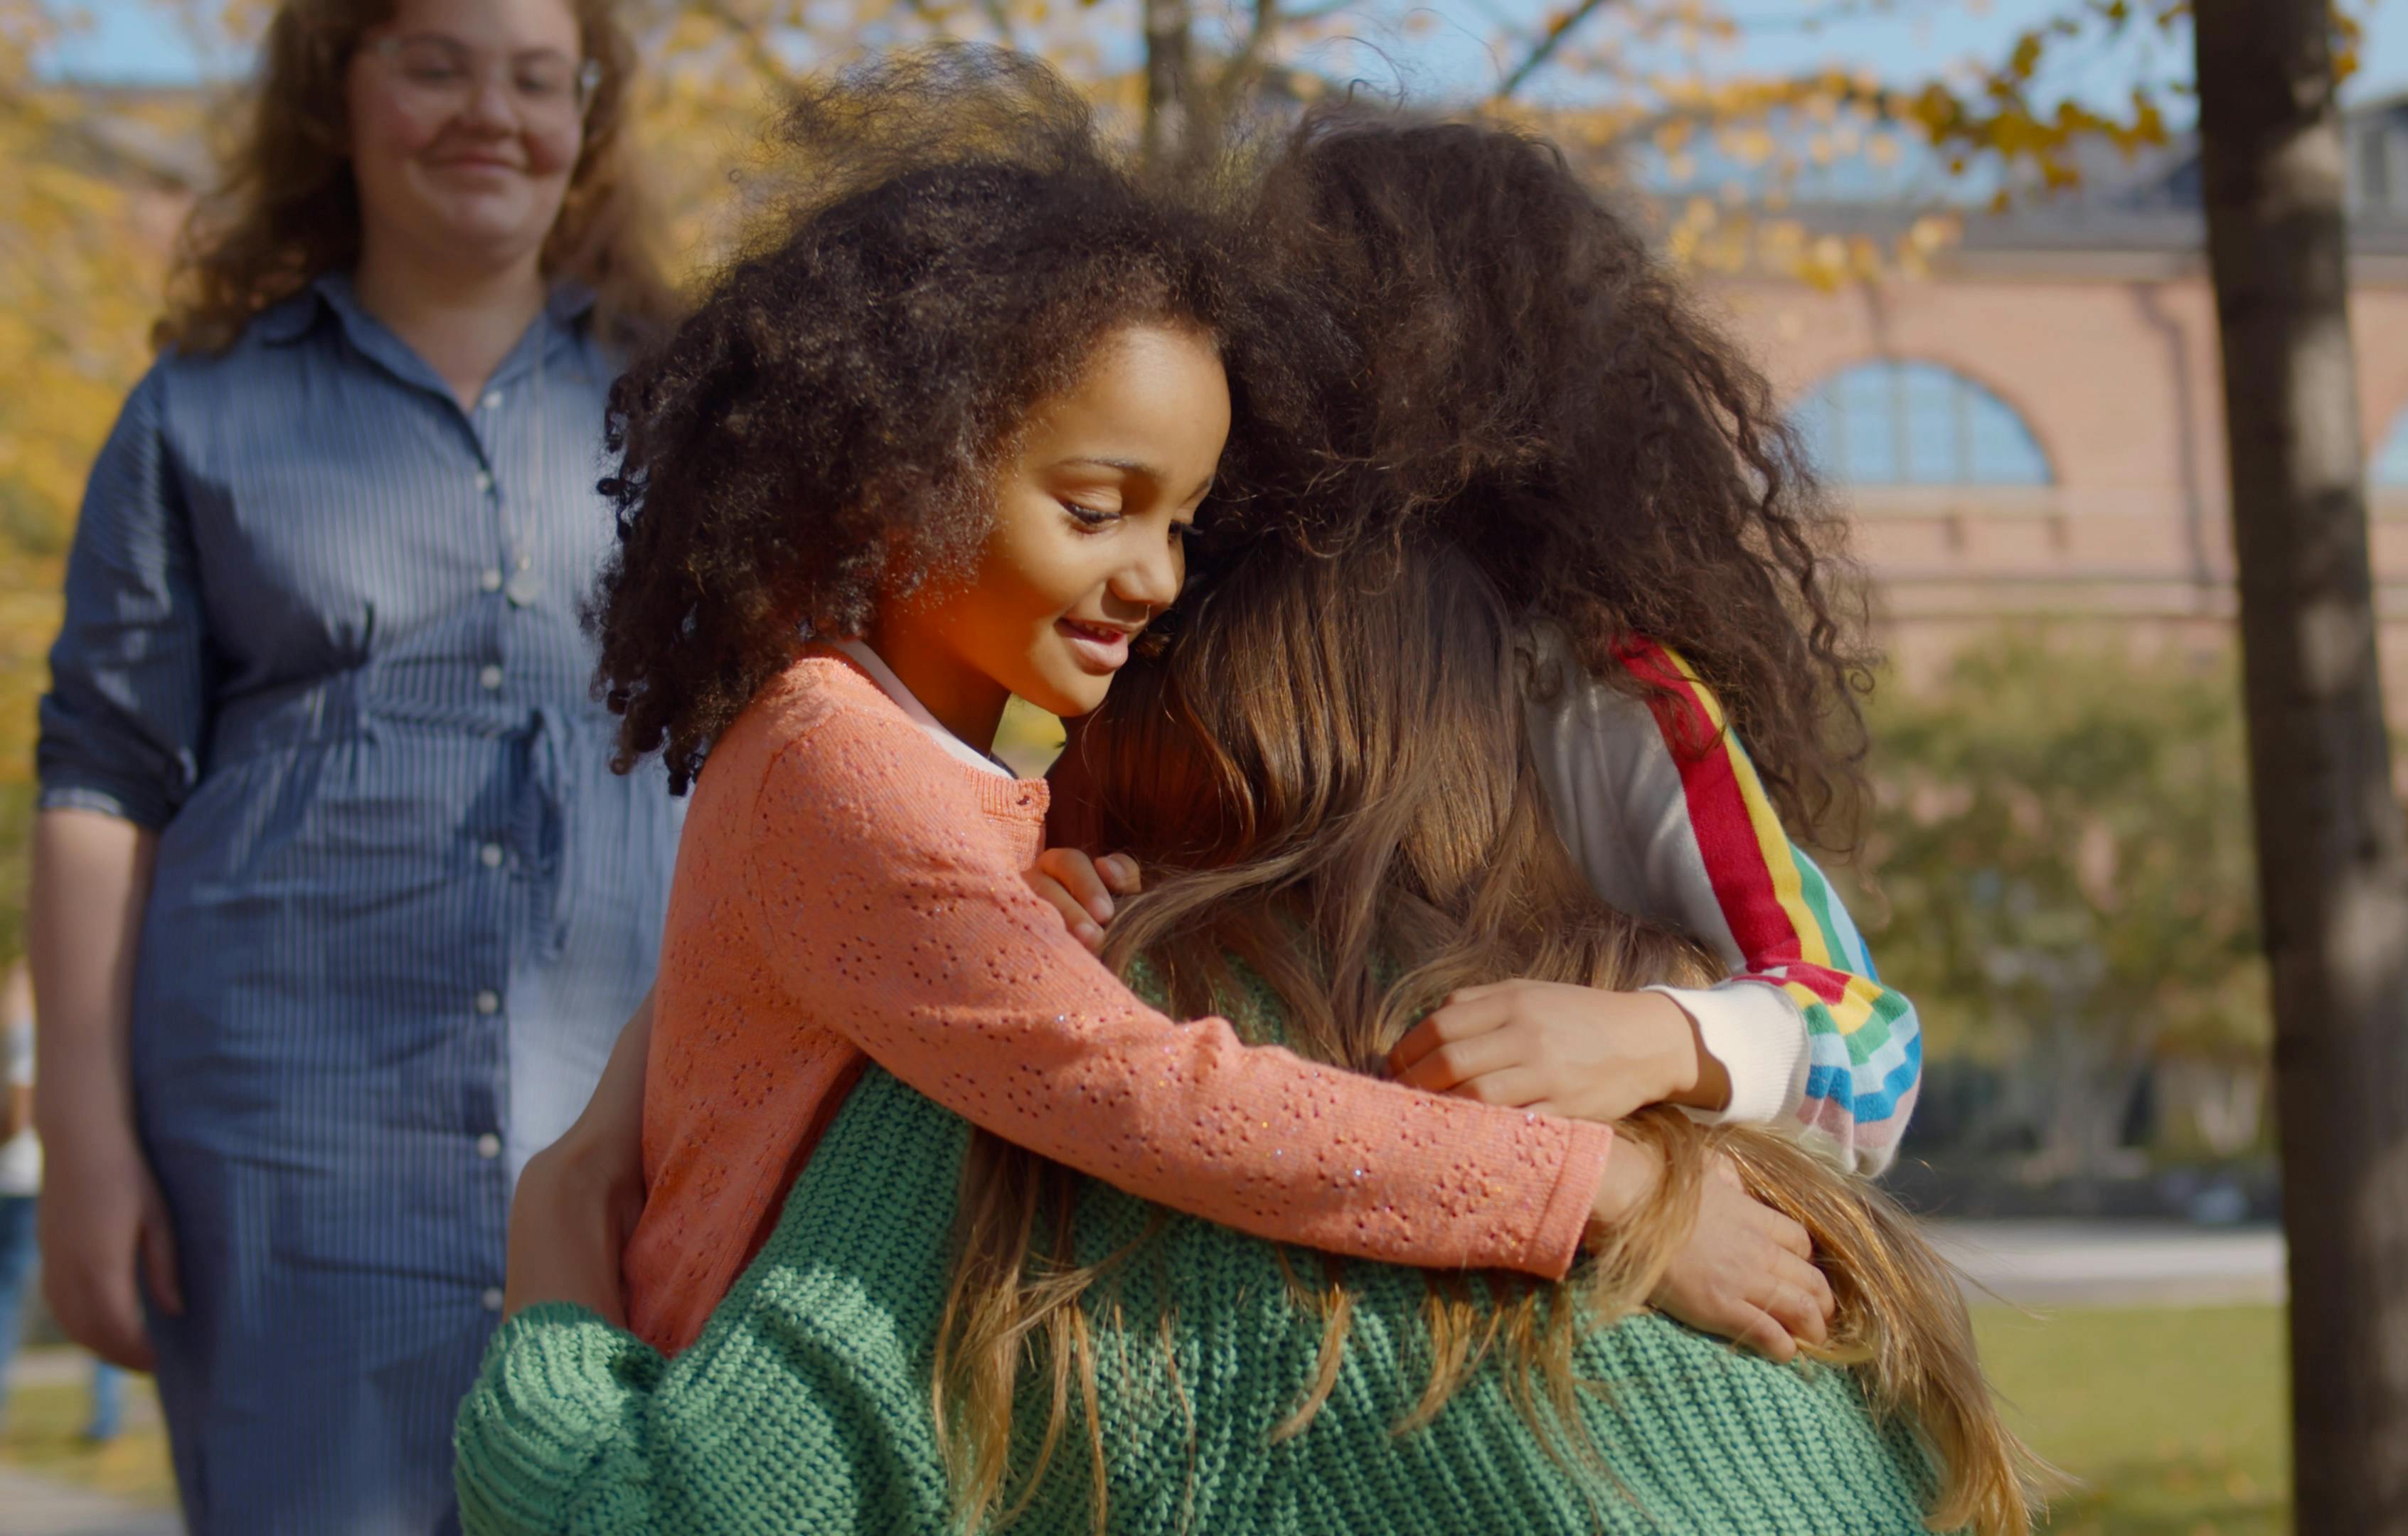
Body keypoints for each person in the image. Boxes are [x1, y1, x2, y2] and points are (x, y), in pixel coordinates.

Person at [456, 55, 2027, 1535]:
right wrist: (1613, 1165)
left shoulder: (1613, 705)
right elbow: (1119, 1075)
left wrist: (559, 1213)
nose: (1149, 580)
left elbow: (1856, 1025)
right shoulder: (1790, 1280)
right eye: (1103, 508)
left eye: (1189, 527)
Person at [26, 0, 677, 1527]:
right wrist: (82, 1139)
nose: (490, 114)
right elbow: (101, 782)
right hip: (283, 1163)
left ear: (586, 118)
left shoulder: (690, 412)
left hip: (636, 1143)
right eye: (435, 66)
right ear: (337, 92)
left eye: (537, 78)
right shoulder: (197, 411)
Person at [0, 964, 130, 1446]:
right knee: (100, 1288)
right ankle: (107, 1415)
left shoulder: (27, 1020)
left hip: (30, 1180)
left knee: (15, 1299)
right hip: (66, 1175)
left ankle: (105, 1415)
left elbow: (20, 1106)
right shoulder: (84, 1016)